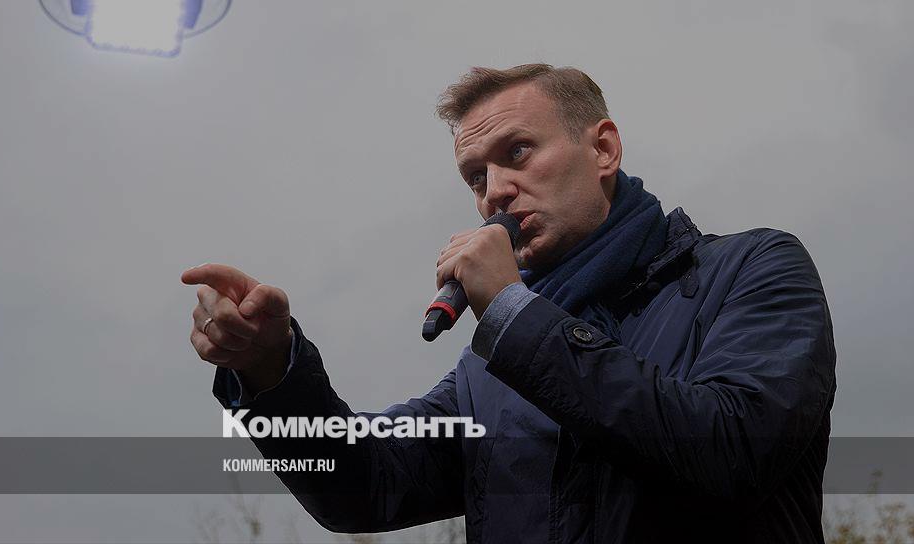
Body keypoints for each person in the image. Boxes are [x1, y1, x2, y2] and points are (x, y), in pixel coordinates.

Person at [181, 64, 837, 543]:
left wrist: (512, 313)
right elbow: (365, 487)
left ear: (603, 148)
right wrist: (272, 371)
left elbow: (733, 451)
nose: (495, 191)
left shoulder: (750, 269)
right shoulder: (490, 372)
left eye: (517, 152)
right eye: (476, 177)